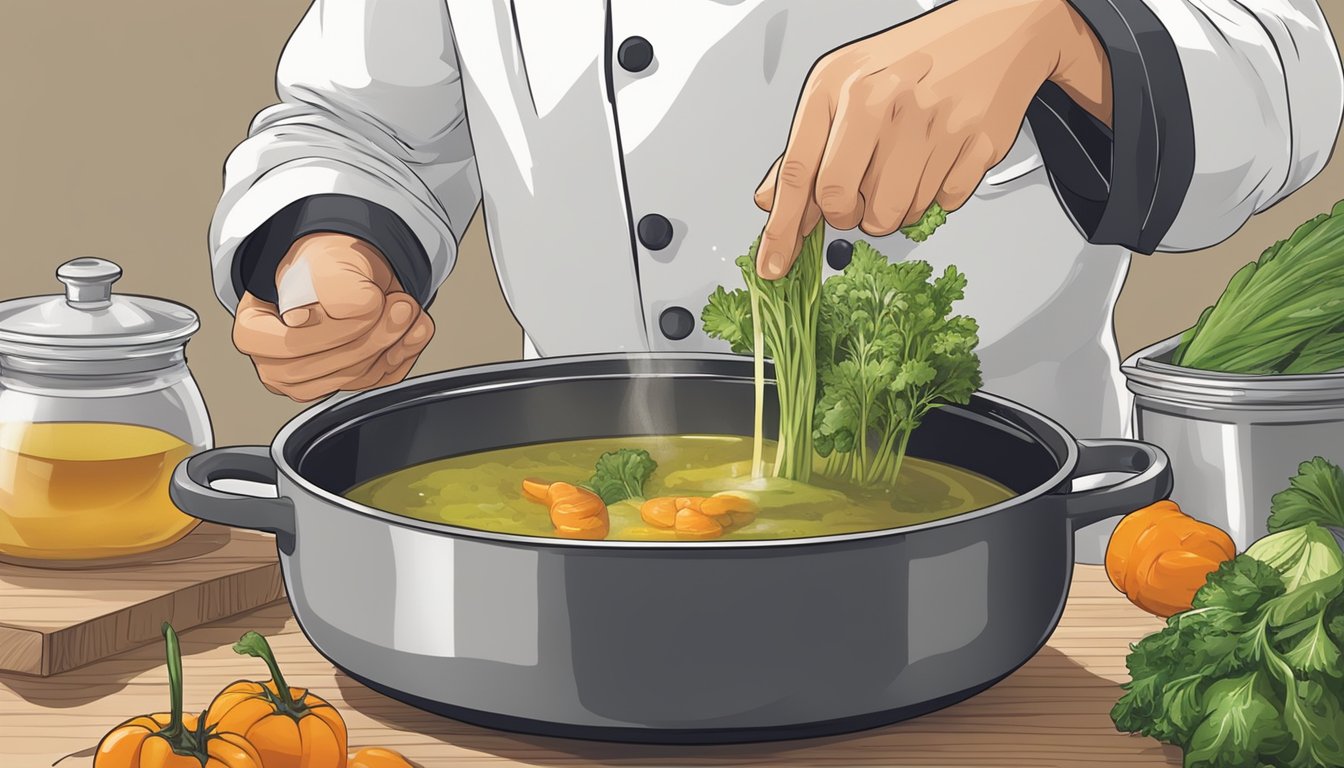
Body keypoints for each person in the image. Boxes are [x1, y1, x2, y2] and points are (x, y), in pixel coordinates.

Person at [209, 0, 1342, 558]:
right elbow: (355, 121)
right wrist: (326, 252)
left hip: (1000, 544)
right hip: (564, 539)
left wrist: (1055, 32)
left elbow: (1287, 67)